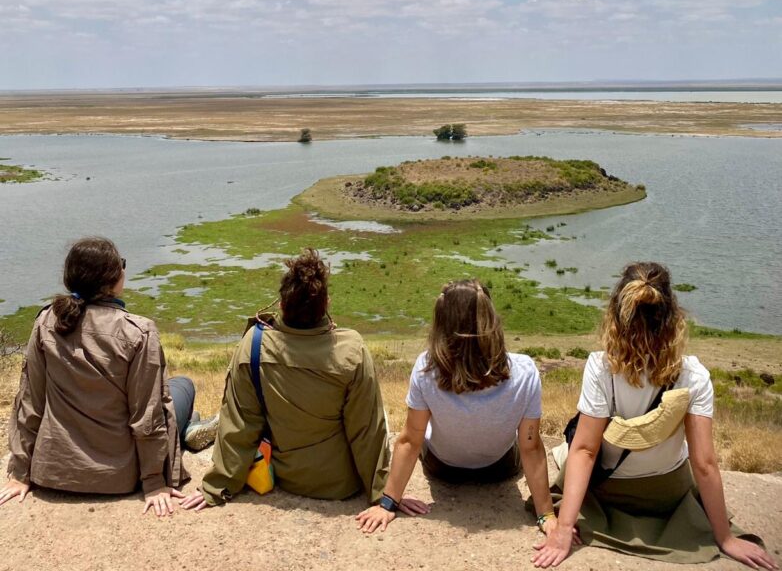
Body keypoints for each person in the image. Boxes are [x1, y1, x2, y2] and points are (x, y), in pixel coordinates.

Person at [532, 261, 778, 569]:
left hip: (607, 491)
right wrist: (725, 538)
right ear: (673, 317)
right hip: (668, 495)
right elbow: (704, 465)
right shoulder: (694, 375)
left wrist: (564, 530)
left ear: (615, 316)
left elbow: (585, 449)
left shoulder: (601, 368)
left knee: (571, 445)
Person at [0, 236, 217, 517]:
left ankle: (189, 426)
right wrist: (154, 482)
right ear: (113, 278)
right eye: (122, 265)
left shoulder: (45, 322)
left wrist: (20, 473)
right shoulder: (138, 332)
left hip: (53, 471)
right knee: (182, 385)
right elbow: (147, 414)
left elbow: (29, 403)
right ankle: (188, 428)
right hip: (119, 476)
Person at [181, 248, 391, 510]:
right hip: (341, 483)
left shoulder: (254, 346)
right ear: (325, 304)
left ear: (281, 305)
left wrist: (216, 487)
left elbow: (240, 425)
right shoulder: (352, 350)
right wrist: (383, 495)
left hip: (282, 476)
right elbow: (367, 430)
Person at [356, 278, 556, 536]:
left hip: (443, 470)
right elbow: (530, 446)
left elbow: (410, 441)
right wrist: (546, 515)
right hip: (499, 468)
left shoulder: (425, 369)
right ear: (491, 321)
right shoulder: (525, 371)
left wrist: (387, 503)